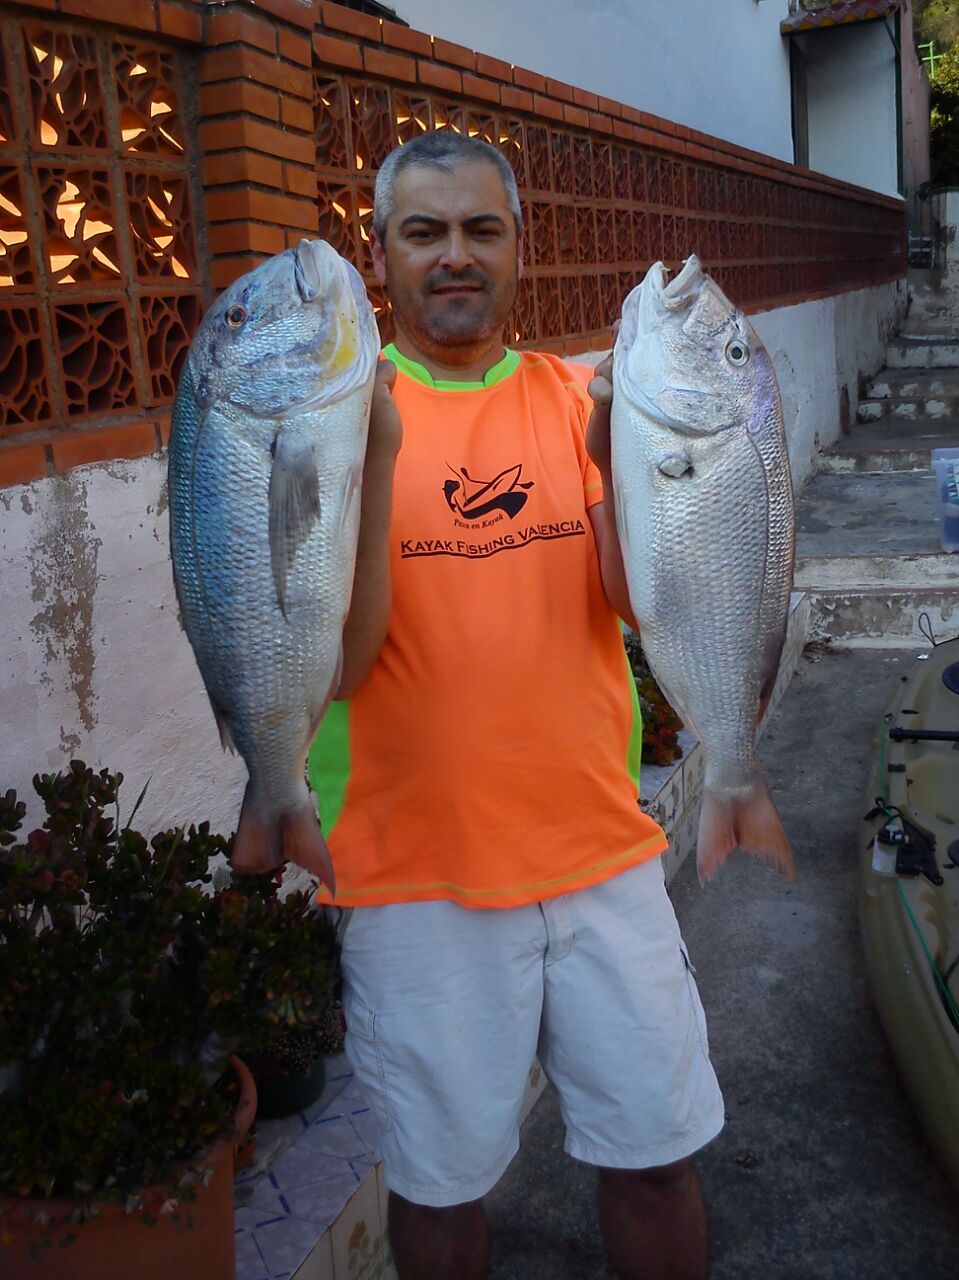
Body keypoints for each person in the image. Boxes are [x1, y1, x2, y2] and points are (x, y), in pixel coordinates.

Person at [306, 131, 724, 1280]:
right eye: (424, 230)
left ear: (517, 249)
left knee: (655, 1160)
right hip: (414, 879)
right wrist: (371, 458)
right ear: (378, 251)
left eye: (480, 229)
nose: (454, 253)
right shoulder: (332, 422)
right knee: (440, 1190)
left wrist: (625, 470)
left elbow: (639, 603)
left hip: (598, 854)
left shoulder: (582, 398)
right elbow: (334, 665)